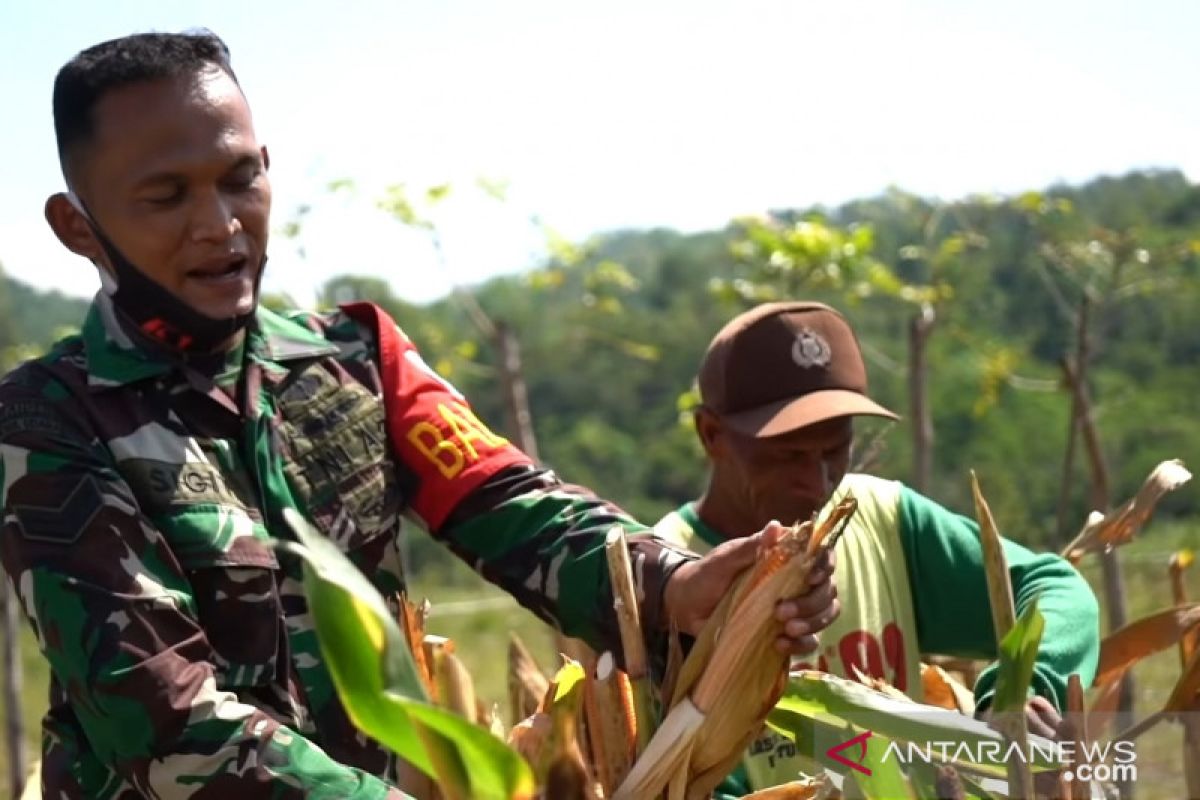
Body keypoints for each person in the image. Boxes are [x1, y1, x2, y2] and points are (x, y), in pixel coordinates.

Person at [0, 32, 838, 799]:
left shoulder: (356, 359)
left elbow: (513, 507)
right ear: (78, 226)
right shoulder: (48, 423)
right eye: (164, 197)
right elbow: (163, 719)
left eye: (239, 178)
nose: (219, 225)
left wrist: (676, 583)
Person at [654, 300, 1101, 795]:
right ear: (712, 434)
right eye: (788, 456)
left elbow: (1058, 591)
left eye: (834, 450)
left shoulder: (883, 518)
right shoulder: (666, 582)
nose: (816, 482)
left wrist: (1020, 694)